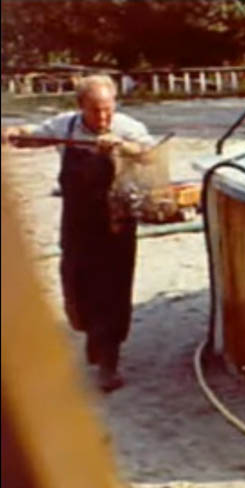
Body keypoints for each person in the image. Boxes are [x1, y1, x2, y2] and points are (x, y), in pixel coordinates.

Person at [2, 74, 154, 392]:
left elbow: (149, 153)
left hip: (116, 221)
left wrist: (122, 146)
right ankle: (93, 336)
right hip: (77, 221)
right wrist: (16, 133)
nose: (103, 117)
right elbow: (35, 137)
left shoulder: (127, 127)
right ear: (80, 106)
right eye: (95, 110)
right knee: (76, 283)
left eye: (108, 109)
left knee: (112, 289)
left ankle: (109, 361)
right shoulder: (66, 125)